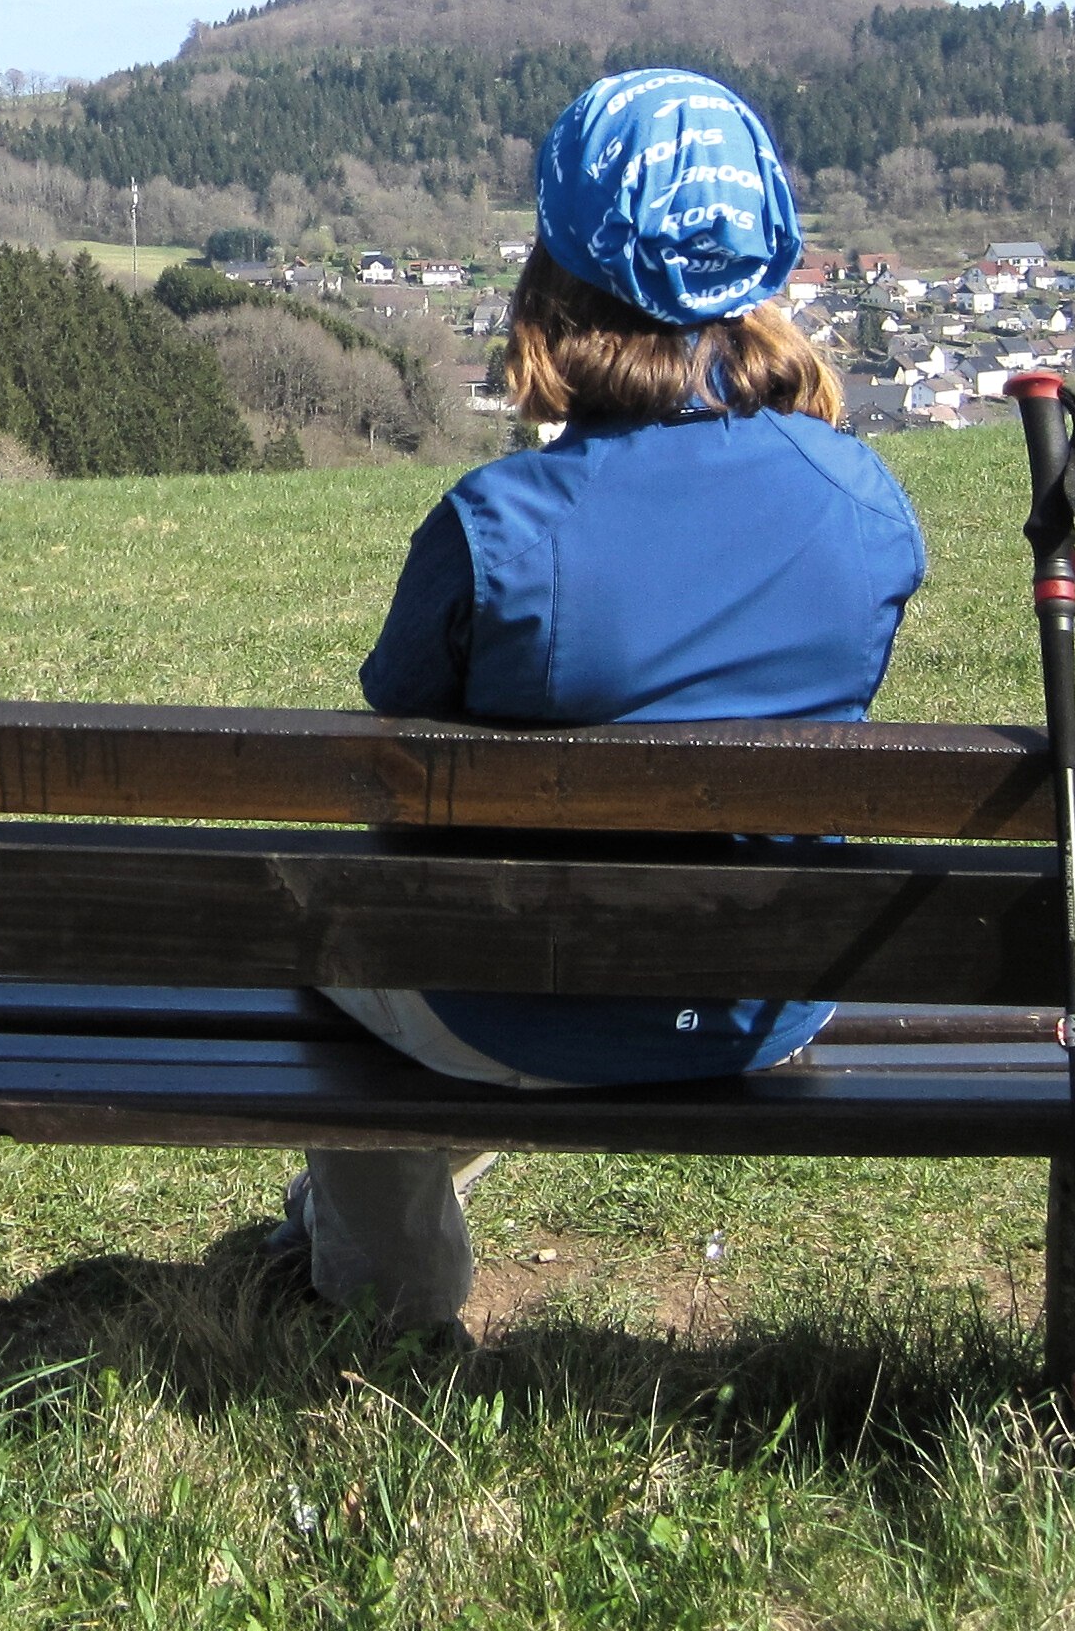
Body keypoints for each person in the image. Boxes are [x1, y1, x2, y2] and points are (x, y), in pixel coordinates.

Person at [275, 67, 929, 1332]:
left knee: (338, 918)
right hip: (759, 1000)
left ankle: (386, 1303)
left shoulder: (495, 527)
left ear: (554, 279)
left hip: (507, 1006)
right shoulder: (864, 507)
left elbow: (397, 726)